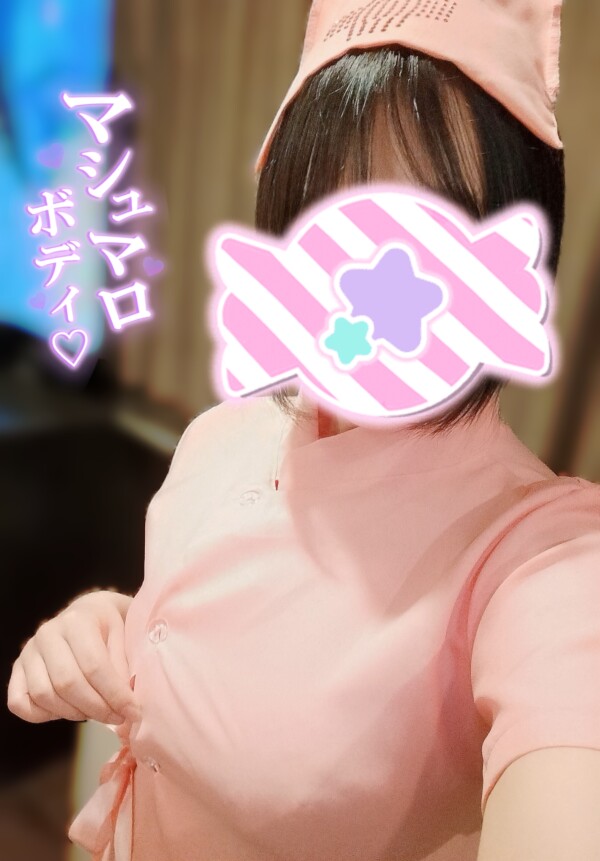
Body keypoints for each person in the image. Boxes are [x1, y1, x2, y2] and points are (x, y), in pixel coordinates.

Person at [7, 1, 600, 860]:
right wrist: (109, 625)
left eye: (430, 227)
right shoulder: (222, 434)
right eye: (331, 220)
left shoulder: (540, 558)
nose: (365, 282)